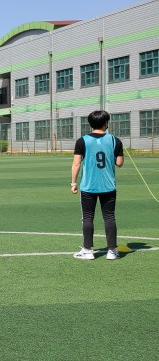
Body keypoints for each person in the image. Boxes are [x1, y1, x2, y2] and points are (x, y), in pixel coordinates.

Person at [71, 109, 124, 260]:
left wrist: (73, 183)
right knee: (109, 217)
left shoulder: (82, 141)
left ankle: (87, 251)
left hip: (88, 186)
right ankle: (112, 251)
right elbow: (119, 163)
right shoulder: (115, 140)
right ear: (106, 123)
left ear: (90, 124)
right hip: (108, 186)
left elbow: (76, 164)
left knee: (88, 217)